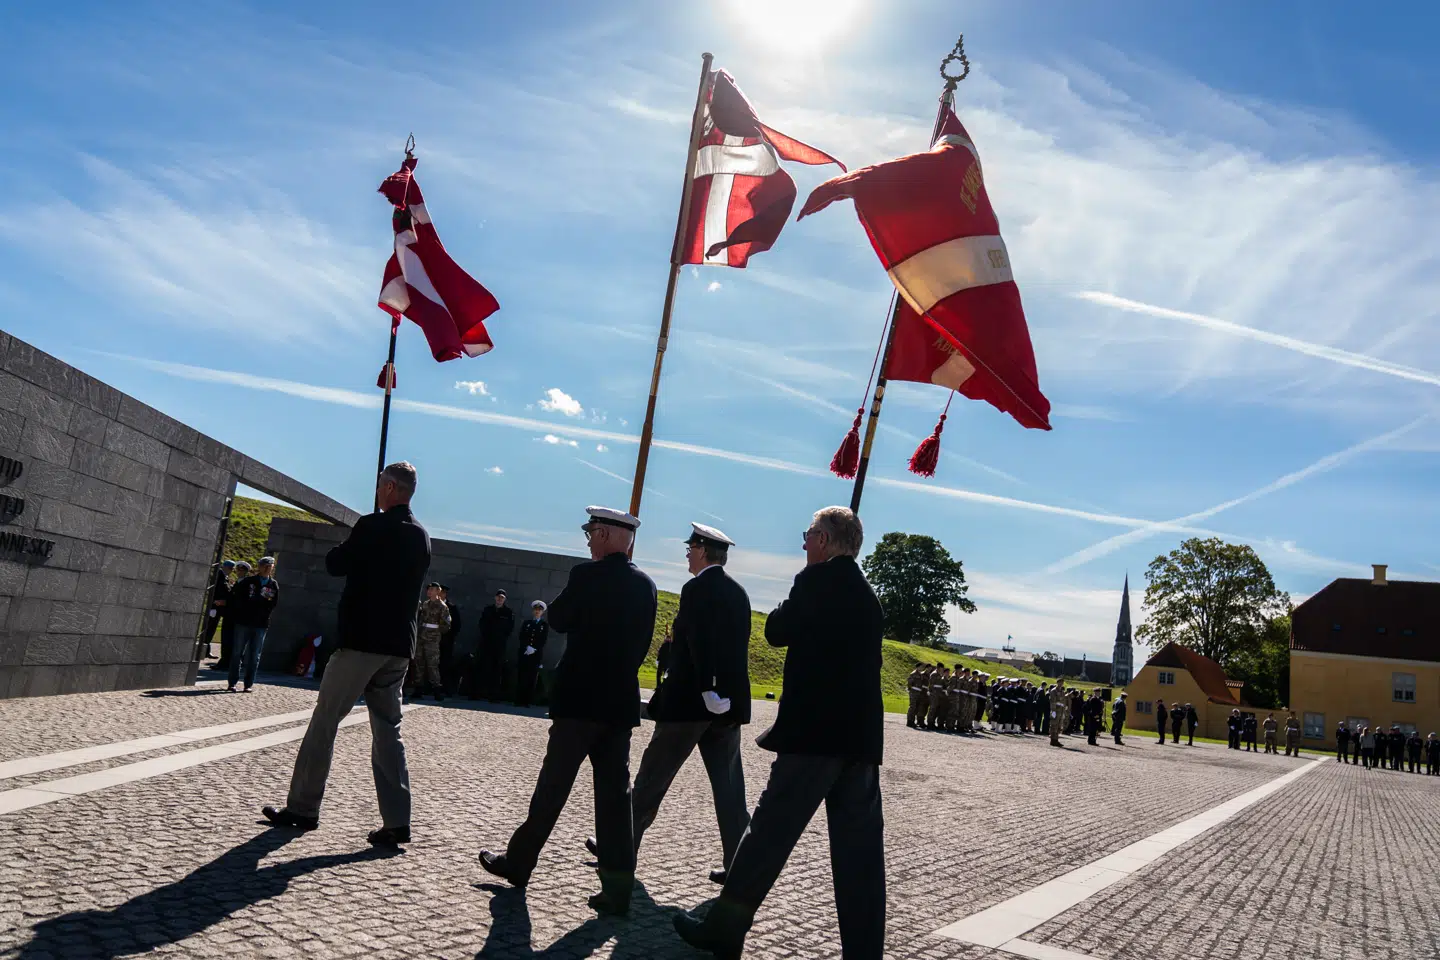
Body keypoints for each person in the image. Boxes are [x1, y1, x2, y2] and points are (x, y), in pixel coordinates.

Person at [674, 506, 886, 960]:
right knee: (861, 857)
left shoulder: (815, 581)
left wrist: (797, 592)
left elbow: (775, 631)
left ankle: (723, 928)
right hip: (861, 741)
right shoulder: (868, 595)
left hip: (813, 738)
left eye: (809, 534)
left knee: (766, 837)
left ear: (824, 541)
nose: (804, 542)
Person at [480, 506, 657, 915]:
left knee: (552, 788)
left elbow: (557, 618)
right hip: (618, 704)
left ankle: (519, 864)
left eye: (593, 532)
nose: (589, 540)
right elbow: (642, 644)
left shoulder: (585, 575)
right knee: (615, 800)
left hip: (579, 701)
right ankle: (618, 889)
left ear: (609, 535)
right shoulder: (646, 585)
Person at [261, 461, 431, 848]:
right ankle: (397, 821)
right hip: (398, 648)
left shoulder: (372, 526)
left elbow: (335, 564)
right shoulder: (422, 536)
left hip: (362, 643)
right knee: (388, 732)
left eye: (380, 484)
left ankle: (303, 807)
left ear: (390, 487)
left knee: (325, 722)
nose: (377, 489)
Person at [598, 522, 752, 886]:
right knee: (730, 793)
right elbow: (735, 649)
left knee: (650, 780)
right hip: (726, 708)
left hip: (689, 704)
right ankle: (740, 867)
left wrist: (708, 687)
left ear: (702, 551)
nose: (687, 554)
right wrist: (725, 695)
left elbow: (701, 641)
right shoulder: (739, 592)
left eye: (690, 548)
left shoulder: (696, 588)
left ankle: (620, 849)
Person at [227, 557, 280, 692]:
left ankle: (248, 684)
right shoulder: (249, 581)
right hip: (244, 622)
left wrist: (262, 609)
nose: (267, 569)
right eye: (265, 566)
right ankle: (232, 682)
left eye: (270, 567)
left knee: (255, 656)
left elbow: (273, 603)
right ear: (260, 567)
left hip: (260, 624)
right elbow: (239, 599)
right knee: (237, 653)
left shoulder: (273, 584)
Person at [409, 582, 450, 701]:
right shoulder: (425, 604)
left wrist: (436, 631)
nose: (429, 591)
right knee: (419, 662)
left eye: (432, 589)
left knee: (432, 664)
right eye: (428, 589)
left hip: (432, 639)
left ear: (438, 591)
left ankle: (437, 689)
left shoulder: (442, 606)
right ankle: (418, 688)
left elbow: (446, 625)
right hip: (421, 637)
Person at [474, 589, 515, 701]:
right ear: (495, 597)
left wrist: (500, 637)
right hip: (486, 643)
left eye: (502, 598)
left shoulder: (508, 612)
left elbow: (509, 628)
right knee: (482, 667)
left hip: (499, 644)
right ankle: (478, 693)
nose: (499, 599)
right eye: (498, 597)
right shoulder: (488, 610)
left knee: (496, 669)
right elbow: (482, 624)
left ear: (504, 599)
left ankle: (493, 695)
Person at [514, 601, 549, 707]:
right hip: (525, 652)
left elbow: (543, 639)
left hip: (535, 655)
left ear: (542, 612)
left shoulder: (544, 625)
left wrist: (534, 649)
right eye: (536, 609)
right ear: (533, 611)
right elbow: (522, 636)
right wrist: (527, 647)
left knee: (532, 677)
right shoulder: (527, 623)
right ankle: (518, 700)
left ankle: (527, 701)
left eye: (539, 610)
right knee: (522, 675)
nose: (537, 611)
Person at [202, 559, 235, 663]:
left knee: (211, 629)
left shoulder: (223, 576)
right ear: (225, 567)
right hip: (215, 607)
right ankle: (204, 650)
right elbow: (219, 591)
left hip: (218, 607)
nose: (231, 570)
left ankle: (206, 650)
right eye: (230, 568)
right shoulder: (219, 576)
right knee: (209, 629)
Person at [440, 585, 463, 696]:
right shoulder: (431, 605)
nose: (440, 595)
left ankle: (444, 688)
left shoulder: (451, 608)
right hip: (432, 640)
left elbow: (456, 625)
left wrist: (449, 637)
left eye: (442, 593)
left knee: (445, 664)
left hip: (446, 642)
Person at [905, 664, 930, 728]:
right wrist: (911, 690)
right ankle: (909, 721)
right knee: (912, 707)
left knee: (916, 707)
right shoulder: (913, 674)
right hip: (914, 692)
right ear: (917, 667)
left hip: (918, 692)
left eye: (922, 667)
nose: (922, 668)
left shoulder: (920, 674)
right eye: (920, 667)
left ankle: (912, 721)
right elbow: (909, 683)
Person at [927, 664, 949, 731]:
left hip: (939, 694)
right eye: (941, 668)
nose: (942, 670)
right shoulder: (934, 674)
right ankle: (930, 723)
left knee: (936, 709)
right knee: (932, 708)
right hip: (934, 694)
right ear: (938, 668)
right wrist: (932, 693)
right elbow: (931, 685)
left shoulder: (940, 674)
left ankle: (933, 723)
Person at [1048, 681, 1068, 747]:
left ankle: (1056, 740)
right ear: (1057, 683)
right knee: (1054, 725)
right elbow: (1052, 701)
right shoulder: (1053, 691)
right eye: (1060, 683)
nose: (1061, 684)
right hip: (1056, 710)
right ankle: (1052, 740)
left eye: (1062, 683)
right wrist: (1053, 710)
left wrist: (1064, 711)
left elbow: (1064, 702)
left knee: (1059, 726)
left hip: (1061, 711)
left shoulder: (1062, 691)